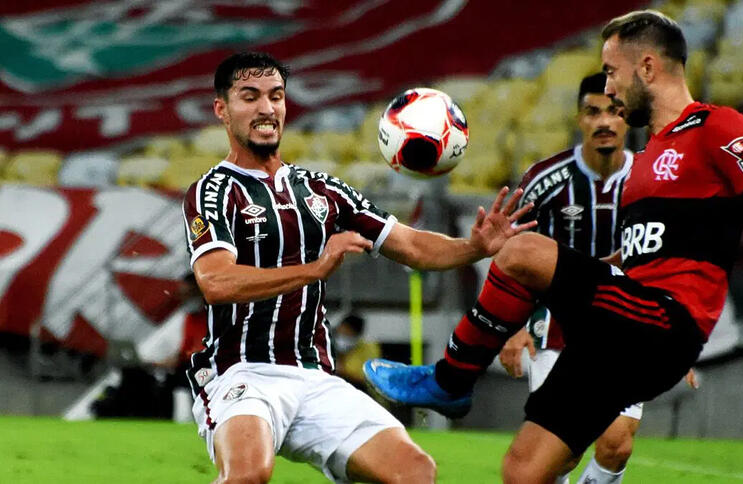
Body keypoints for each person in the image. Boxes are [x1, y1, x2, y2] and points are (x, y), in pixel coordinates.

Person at [364, 10, 743, 483]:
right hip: (619, 331)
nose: (610, 88)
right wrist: (547, 284)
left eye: (612, 73)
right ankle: (455, 379)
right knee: (523, 471)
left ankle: (450, 381)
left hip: (664, 320)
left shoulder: (715, 126)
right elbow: (635, 258)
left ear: (647, 67)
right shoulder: (644, 162)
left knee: (519, 251)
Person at [182, 51, 534, 484]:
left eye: (275, 96)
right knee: (248, 475)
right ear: (222, 109)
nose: (266, 108)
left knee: (414, 471)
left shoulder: (323, 190)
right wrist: (315, 269)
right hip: (239, 373)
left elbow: (409, 245)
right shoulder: (212, 192)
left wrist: (474, 247)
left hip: (313, 376)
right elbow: (216, 281)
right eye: (249, 97)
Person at [498, 72, 643, 484]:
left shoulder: (652, 180)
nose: (605, 122)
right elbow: (511, 254)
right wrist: (513, 326)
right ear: (579, 118)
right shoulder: (545, 180)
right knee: (557, 456)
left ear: (628, 118)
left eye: (615, 112)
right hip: (559, 328)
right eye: (593, 112)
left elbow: (668, 259)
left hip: (629, 325)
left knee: (617, 443)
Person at [333, 314, 380, 391]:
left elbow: (369, 380)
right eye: (340, 334)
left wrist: (343, 372)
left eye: (347, 335)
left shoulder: (368, 348)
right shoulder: (327, 343)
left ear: (357, 335)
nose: (342, 338)